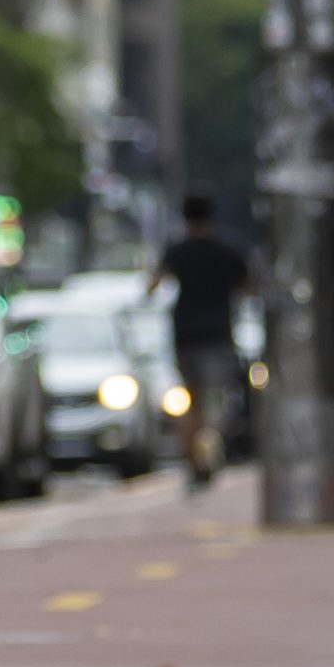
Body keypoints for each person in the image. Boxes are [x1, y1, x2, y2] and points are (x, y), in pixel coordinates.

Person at [145, 194, 252, 486]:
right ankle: (212, 446)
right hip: (218, 334)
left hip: (186, 335)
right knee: (219, 398)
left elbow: (152, 287)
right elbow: (250, 287)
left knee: (191, 400)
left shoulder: (177, 251)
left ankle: (192, 459)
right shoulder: (226, 250)